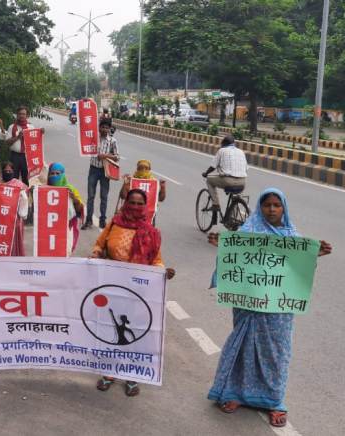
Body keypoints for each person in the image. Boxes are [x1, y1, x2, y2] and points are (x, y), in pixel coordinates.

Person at [207, 188, 332, 428]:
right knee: (244, 346)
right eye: (267, 205)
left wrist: (315, 254)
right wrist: (221, 246)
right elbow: (234, 258)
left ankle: (274, 400)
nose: (272, 209)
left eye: (277, 205)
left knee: (276, 353)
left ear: (284, 208)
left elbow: (297, 269)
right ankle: (235, 393)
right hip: (249, 303)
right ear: (260, 207)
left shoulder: (292, 237)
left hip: (278, 308)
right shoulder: (248, 232)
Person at [91, 189, 176, 396]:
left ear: (145, 206)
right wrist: (95, 256)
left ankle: (132, 375)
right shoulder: (114, 224)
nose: (136, 207)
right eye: (132, 202)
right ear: (126, 203)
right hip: (112, 285)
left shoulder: (150, 232)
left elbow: (156, 259)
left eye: (140, 203)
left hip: (138, 290)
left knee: (134, 331)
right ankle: (109, 372)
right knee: (111, 329)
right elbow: (99, 245)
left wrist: (163, 272)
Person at [0, 161, 29, 256]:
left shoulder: (19, 185)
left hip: (14, 220)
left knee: (14, 242)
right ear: (2, 172)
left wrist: (25, 193)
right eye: (6, 171)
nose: (8, 173)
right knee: (2, 242)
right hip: (1, 220)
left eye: (10, 171)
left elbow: (26, 196)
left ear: (13, 172)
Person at [83, 118, 119, 230]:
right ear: (99, 128)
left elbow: (117, 157)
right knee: (90, 196)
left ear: (109, 129)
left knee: (104, 196)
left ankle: (102, 220)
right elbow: (83, 138)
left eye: (106, 128)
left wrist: (105, 156)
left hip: (105, 171)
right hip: (93, 169)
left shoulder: (112, 141)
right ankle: (88, 220)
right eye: (102, 127)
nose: (104, 129)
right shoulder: (93, 139)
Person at [202, 134, 247, 215]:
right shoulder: (241, 152)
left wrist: (206, 173)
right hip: (242, 182)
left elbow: (213, 166)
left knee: (209, 180)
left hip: (228, 181)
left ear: (224, 143)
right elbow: (245, 168)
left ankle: (216, 204)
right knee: (236, 195)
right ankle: (233, 214)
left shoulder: (222, 150)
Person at [46, 162, 84, 255]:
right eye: (52, 173)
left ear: (63, 174)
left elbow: (79, 209)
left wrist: (74, 199)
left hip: (66, 227)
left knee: (65, 252)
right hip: (49, 227)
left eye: (57, 173)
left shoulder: (70, 189)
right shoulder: (44, 189)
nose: (55, 176)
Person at [5, 106, 44, 185]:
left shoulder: (31, 127)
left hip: (27, 157)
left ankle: (26, 192)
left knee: (27, 179)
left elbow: (35, 142)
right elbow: (7, 142)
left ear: (27, 115)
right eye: (20, 114)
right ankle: (15, 193)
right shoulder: (12, 127)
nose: (21, 115)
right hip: (14, 156)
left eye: (23, 114)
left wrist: (40, 133)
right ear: (17, 115)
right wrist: (18, 137)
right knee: (13, 179)